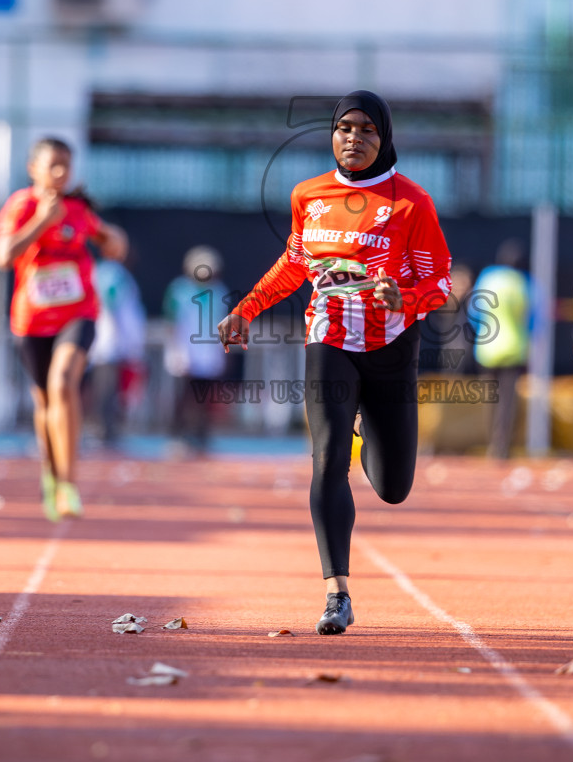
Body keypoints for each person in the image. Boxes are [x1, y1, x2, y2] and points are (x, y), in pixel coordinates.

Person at [218, 91, 451, 635]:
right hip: (329, 339)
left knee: (394, 487)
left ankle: (369, 430)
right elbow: (295, 262)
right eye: (344, 127)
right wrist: (247, 308)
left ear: (385, 137)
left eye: (367, 129)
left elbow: (438, 280)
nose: (354, 137)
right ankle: (336, 593)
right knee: (327, 459)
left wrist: (407, 300)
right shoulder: (310, 195)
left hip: (392, 348)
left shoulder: (411, 203)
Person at [0, 137, 128, 521]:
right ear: (32, 169)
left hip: (78, 314)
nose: (60, 173)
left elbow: (113, 244)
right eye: (52, 165)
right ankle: (51, 475)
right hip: (33, 319)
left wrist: (113, 238)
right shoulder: (21, 206)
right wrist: (42, 222)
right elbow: (3, 257)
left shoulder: (77, 209)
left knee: (63, 382)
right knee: (44, 402)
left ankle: (68, 483)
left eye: (66, 166)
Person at [469, 239, 534, 459]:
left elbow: (473, 313)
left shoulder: (487, 278)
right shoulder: (522, 283)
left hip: (487, 349)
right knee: (508, 402)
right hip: (514, 348)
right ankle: (501, 446)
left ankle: (490, 443)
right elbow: (530, 318)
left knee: (491, 401)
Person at [163, 246, 230, 454]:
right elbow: (172, 321)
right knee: (184, 396)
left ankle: (202, 437)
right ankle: (178, 436)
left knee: (205, 397)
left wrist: (222, 351)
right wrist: (176, 351)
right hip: (185, 350)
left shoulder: (220, 291)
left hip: (209, 353)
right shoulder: (179, 289)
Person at [88, 254, 146, 449]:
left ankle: (109, 430)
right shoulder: (110, 273)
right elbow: (108, 305)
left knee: (113, 390)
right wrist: (118, 336)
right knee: (106, 388)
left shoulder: (116, 273)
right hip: (108, 339)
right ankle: (103, 431)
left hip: (115, 341)